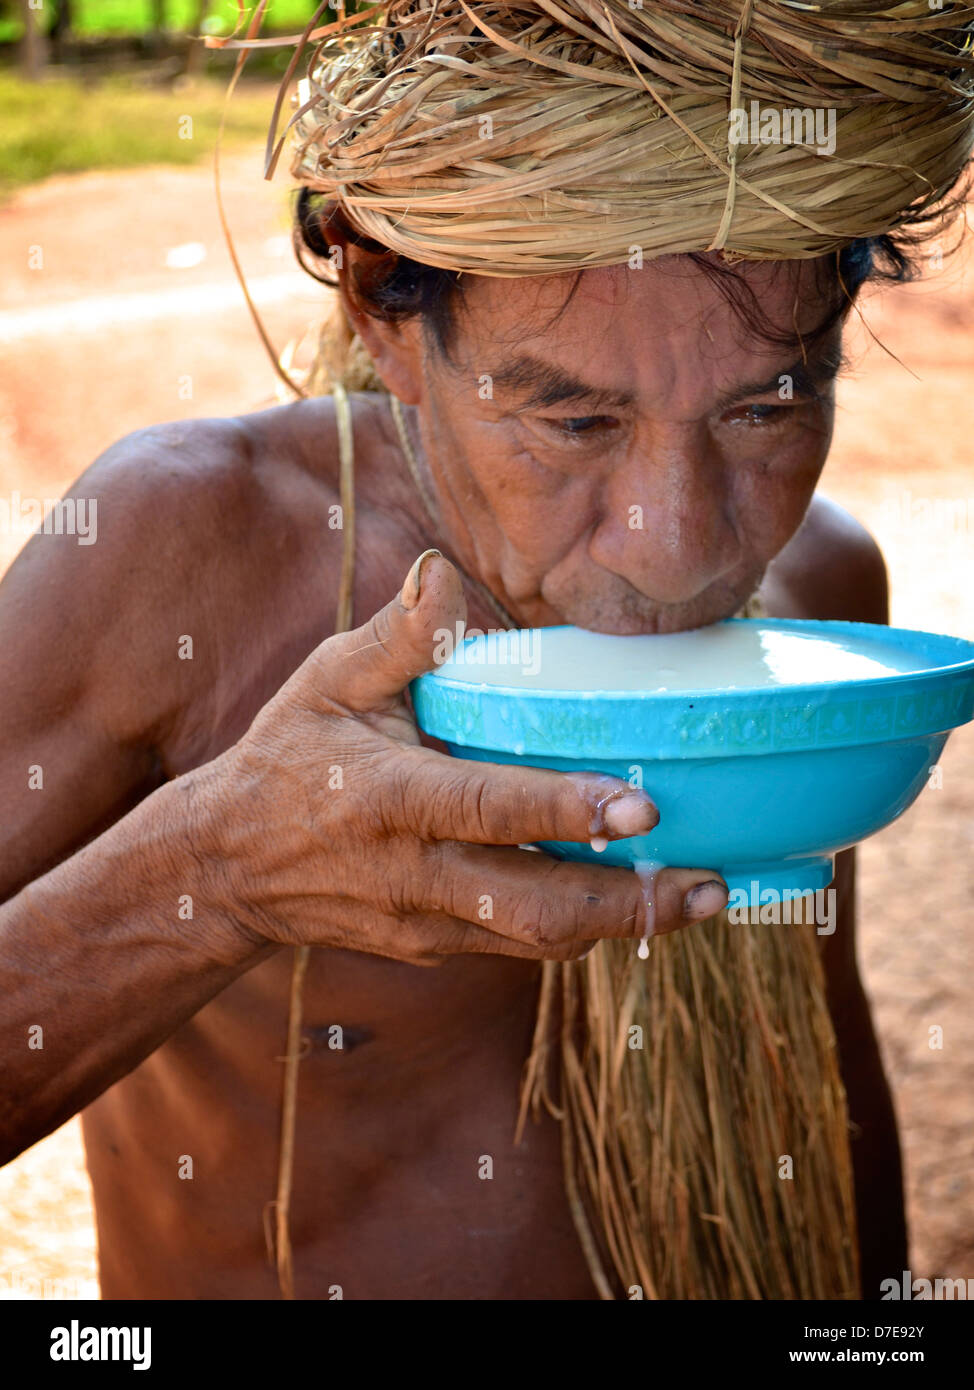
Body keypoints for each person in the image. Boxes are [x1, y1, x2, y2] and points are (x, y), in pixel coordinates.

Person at [2, 0, 971, 1299]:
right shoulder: (191, 553)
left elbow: (820, 1078)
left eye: (761, 409)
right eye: (570, 419)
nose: (675, 550)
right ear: (388, 313)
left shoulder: (820, 587)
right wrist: (220, 871)